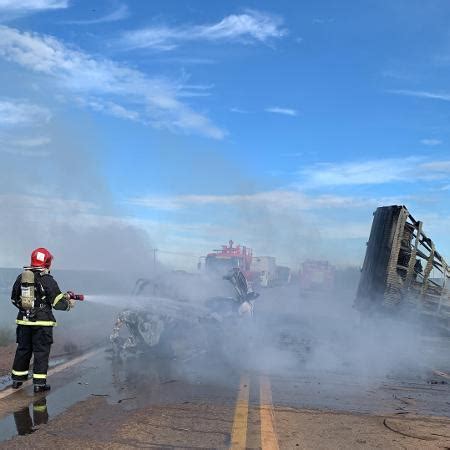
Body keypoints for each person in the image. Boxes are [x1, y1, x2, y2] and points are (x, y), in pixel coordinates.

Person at [10, 248, 75, 393]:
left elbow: (13, 298)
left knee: (23, 350)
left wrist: (25, 310)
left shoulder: (21, 277)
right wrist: (68, 304)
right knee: (41, 352)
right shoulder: (47, 280)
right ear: (47, 262)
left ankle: (16, 381)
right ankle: (39, 384)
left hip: (23, 322)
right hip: (42, 324)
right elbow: (58, 304)